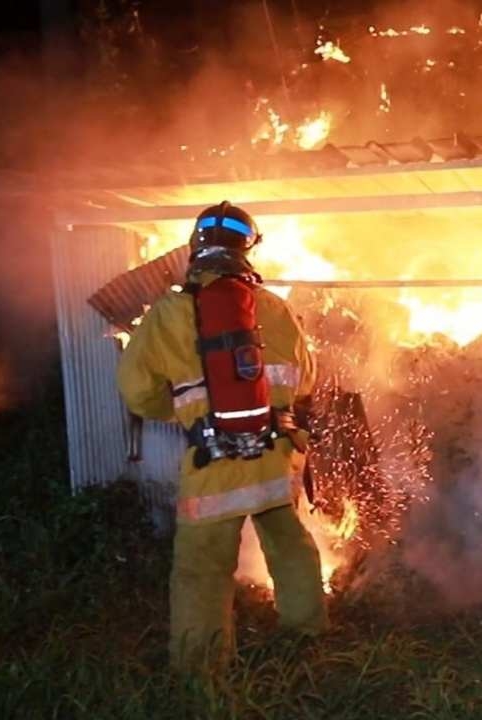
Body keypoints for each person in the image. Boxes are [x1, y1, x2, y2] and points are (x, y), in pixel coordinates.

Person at [117, 201, 327, 671]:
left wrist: (183, 413)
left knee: (202, 571)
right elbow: (305, 380)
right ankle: (308, 637)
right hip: (275, 458)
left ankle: (201, 670)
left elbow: (136, 391)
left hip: (212, 465)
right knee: (291, 547)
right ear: (246, 249)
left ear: (196, 248)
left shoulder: (168, 312)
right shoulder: (275, 308)